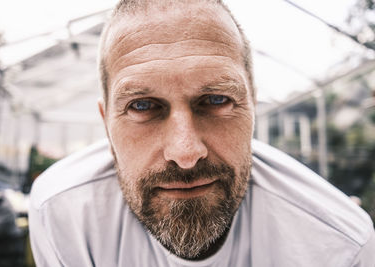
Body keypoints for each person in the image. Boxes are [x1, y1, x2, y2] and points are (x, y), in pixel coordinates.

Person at [28, 0, 375, 266]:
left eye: (216, 99)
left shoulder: (338, 246)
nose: (185, 152)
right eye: (143, 106)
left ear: (252, 107)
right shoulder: (63, 211)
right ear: (106, 123)